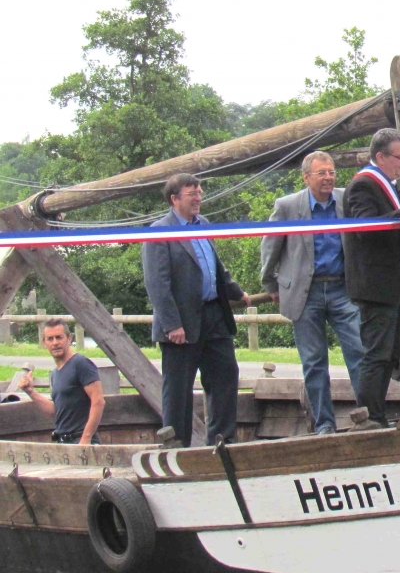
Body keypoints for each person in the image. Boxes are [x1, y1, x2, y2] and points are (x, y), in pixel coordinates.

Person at [261, 151, 364, 435]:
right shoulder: (287, 206)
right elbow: (271, 246)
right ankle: (324, 425)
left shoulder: (346, 199)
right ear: (306, 177)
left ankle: (367, 415)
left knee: (358, 352)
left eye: (331, 172)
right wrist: (270, 284)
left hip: (343, 288)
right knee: (314, 362)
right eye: (322, 173)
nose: (329, 178)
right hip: (306, 293)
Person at [143, 173, 249, 447]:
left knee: (225, 376)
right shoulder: (159, 232)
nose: (199, 198)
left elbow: (215, 267)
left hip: (214, 315)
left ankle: (223, 442)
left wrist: (238, 293)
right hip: (181, 322)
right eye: (192, 194)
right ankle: (177, 446)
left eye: (200, 192)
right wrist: (171, 325)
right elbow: (157, 284)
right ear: (174, 199)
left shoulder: (203, 224)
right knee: (179, 388)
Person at [343, 129, 400, 429]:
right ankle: (369, 417)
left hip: (390, 286)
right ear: (380, 157)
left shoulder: (387, 184)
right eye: (399, 156)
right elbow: (365, 226)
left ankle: (375, 413)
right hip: (374, 287)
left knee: (386, 353)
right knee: (376, 354)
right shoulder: (364, 185)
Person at [18, 318, 105, 445]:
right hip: (62, 441)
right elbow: (56, 410)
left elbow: (98, 401)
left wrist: (86, 439)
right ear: (44, 343)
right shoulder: (55, 374)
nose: (55, 343)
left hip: (81, 440)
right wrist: (30, 392)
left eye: (59, 337)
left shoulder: (80, 363)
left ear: (69, 339)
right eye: (50, 339)